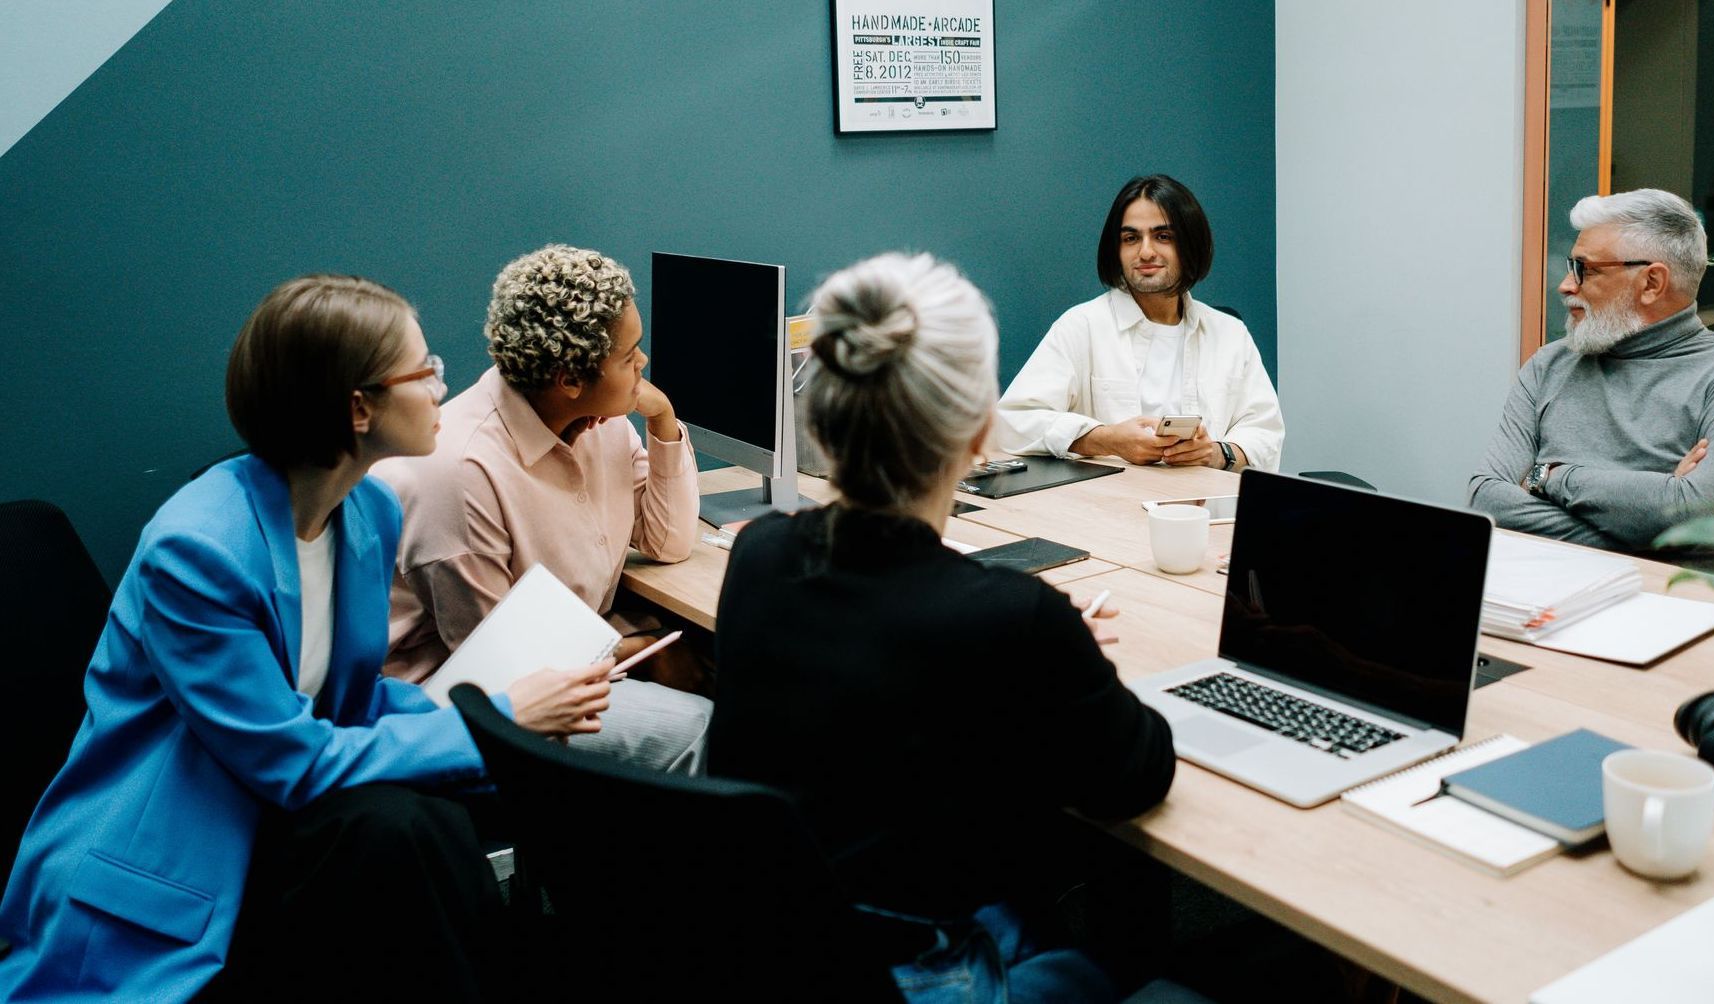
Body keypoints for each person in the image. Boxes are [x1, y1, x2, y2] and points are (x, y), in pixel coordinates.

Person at [0, 275, 613, 1001]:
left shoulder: (370, 514)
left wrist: (500, 727)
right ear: (359, 408)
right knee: (406, 833)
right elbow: (291, 758)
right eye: (426, 372)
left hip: (278, 821)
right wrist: (501, 724)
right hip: (178, 856)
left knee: (424, 824)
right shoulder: (197, 551)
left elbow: (351, 699)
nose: (442, 390)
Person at [707, 252, 1176, 1002]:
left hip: (783, 950)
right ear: (982, 432)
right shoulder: (1014, 618)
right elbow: (1138, 774)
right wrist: (1060, 650)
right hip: (932, 972)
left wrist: (1030, 644)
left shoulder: (760, 553)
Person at [375, 245, 711, 773]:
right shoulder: (459, 472)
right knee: (703, 728)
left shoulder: (603, 424)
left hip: (574, 656)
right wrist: (639, 651)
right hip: (471, 706)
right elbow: (501, 669)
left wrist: (663, 418)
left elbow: (667, 542)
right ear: (570, 380)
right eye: (628, 355)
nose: (643, 362)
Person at [1469, 189, 1714, 574]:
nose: (1566, 286)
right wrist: (1653, 523)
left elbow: (1696, 513)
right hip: (1541, 596)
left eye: (1585, 269)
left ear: (1652, 282)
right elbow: (1488, 499)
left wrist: (1548, 476)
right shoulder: (1550, 364)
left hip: (1684, 610)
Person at [995, 174, 1283, 471]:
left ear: (1191, 244)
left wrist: (1215, 453)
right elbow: (1014, 421)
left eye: (1163, 236)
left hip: (1210, 513)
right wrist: (1105, 439)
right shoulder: (1082, 326)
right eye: (1131, 238)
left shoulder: (1230, 333)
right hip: (1109, 510)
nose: (1145, 252)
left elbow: (1265, 431)